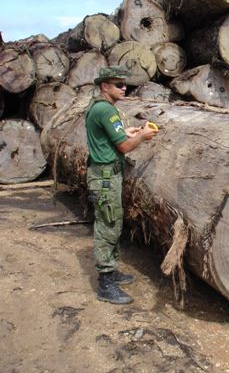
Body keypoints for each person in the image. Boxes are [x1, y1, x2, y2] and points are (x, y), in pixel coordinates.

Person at [85, 65, 157, 304]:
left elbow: (108, 137)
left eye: (124, 84)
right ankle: (105, 282)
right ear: (105, 86)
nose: (124, 88)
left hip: (106, 175)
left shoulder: (100, 108)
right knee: (108, 225)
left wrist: (126, 131)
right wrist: (142, 136)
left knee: (112, 221)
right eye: (119, 84)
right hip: (105, 178)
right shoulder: (107, 111)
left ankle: (111, 270)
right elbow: (124, 147)